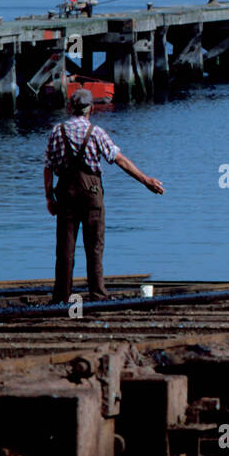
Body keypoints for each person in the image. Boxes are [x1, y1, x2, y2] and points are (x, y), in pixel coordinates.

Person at [44, 89, 164, 303]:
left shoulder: (56, 131)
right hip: (91, 195)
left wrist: (49, 198)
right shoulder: (96, 132)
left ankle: (61, 296)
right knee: (94, 247)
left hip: (65, 195)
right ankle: (98, 294)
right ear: (91, 108)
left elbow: (48, 167)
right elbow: (120, 160)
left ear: (71, 107)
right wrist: (146, 181)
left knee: (65, 248)